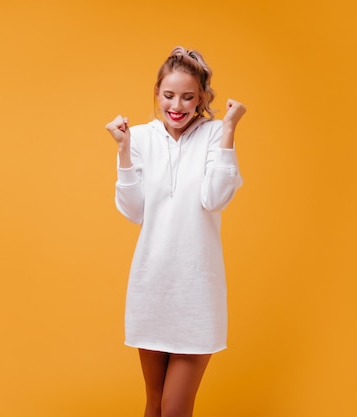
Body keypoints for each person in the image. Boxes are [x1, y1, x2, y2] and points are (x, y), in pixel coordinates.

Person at [105, 46, 246, 417]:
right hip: (151, 288)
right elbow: (134, 212)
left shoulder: (216, 133)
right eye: (169, 96)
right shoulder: (139, 138)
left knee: (174, 409)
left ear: (202, 97)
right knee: (153, 405)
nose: (177, 106)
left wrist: (230, 128)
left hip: (195, 294)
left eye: (188, 96)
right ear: (157, 92)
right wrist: (123, 151)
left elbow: (215, 198)